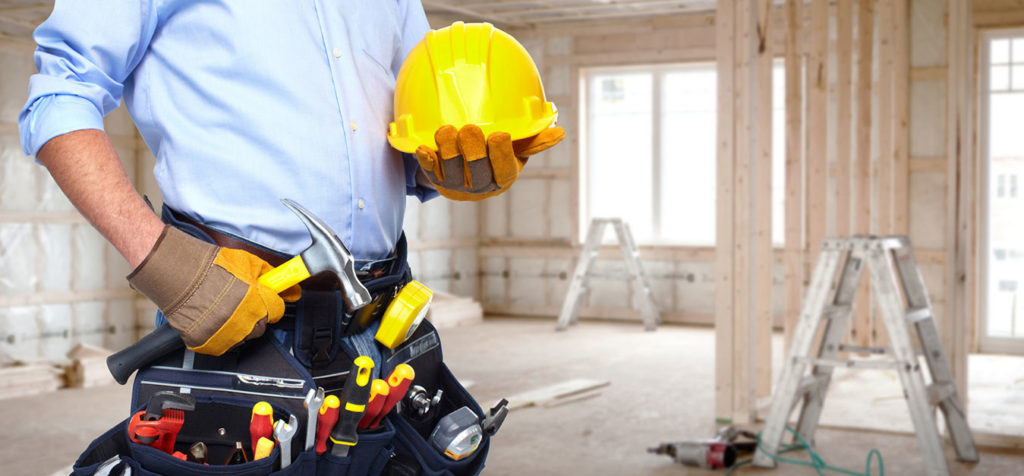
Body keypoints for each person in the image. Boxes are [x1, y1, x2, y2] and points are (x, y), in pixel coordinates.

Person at [20, 2, 562, 473]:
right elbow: (59, 96)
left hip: (385, 319)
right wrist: (161, 260)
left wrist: (452, 166)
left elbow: (412, 126)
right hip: (238, 315)